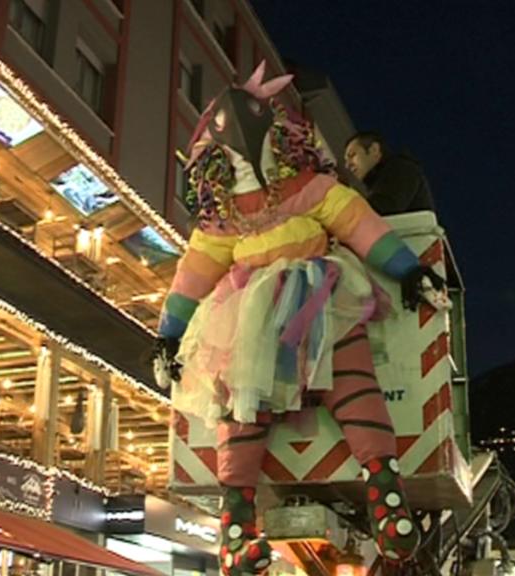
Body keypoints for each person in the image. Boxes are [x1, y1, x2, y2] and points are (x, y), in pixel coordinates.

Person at [153, 62, 445, 570]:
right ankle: (259, 522)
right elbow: (193, 273)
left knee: (262, 402)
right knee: (273, 400)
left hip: (309, 298)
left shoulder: (303, 188)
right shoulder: (226, 215)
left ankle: (360, 497)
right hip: (274, 310)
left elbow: (358, 223)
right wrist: (167, 335)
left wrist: (408, 269)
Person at [344, 131, 435, 216]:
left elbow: (381, 211)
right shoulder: (380, 182)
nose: (347, 165)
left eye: (352, 155)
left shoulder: (400, 169)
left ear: (374, 149)